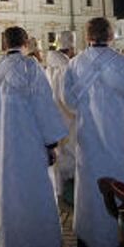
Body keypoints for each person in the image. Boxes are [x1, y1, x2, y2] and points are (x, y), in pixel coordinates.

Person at [64, 18, 124, 247]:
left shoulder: (75, 64)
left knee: (92, 185)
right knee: (122, 181)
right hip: (119, 137)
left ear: (88, 36)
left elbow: (69, 101)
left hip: (89, 137)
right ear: (111, 36)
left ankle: (90, 238)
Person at [0, 27, 67, 247]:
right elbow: (43, 105)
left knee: (10, 197)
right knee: (38, 195)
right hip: (30, 144)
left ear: (3, 42)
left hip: (5, 148)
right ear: (25, 43)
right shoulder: (31, 68)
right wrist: (51, 143)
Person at [45, 31, 78, 197]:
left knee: (59, 151)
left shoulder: (50, 66)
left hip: (54, 113)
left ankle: (58, 187)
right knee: (70, 148)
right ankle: (68, 185)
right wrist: (79, 110)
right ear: (71, 48)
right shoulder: (66, 67)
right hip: (68, 114)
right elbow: (68, 97)